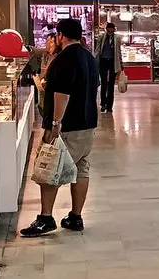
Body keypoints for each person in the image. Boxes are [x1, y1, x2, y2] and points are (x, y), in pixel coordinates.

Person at [20, 18, 99, 237]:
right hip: (87, 123)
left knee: (49, 168)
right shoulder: (89, 57)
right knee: (82, 168)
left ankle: (46, 218)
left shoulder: (65, 59)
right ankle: (75, 216)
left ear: (61, 35)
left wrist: (55, 123)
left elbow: (62, 94)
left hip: (67, 126)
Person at [94, 22, 118, 113]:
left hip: (112, 62)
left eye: (112, 29)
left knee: (111, 85)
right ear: (106, 29)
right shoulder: (102, 37)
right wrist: (95, 60)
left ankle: (109, 106)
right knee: (104, 84)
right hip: (103, 61)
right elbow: (98, 49)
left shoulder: (117, 38)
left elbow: (118, 51)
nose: (111, 30)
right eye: (109, 28)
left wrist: (120, 64)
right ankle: (103, 104)